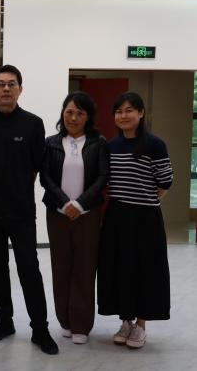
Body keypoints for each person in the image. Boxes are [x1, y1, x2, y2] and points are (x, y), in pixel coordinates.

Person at [0, 65, 58, 355]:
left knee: (29, 269)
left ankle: (40, 329)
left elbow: (35, 167)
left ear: (20, 89)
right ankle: (4, 322)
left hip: (21, 212)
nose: (6, 88)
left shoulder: (33, 123)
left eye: (12, 84)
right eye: (1, 84)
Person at [97, 92, 173, 349]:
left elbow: (165, 182)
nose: (123, 115)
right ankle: (126, 321)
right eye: (119, 111)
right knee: (120, 269)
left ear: (141, 113)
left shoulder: (155, 145)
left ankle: (140, 326)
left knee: (145, 271)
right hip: (117, 217)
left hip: (146, 218)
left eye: (129, 110)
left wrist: (146, 200)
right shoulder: (111, 146)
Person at [40, 91, 108, 345]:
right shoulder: (51, 143)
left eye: (80, 113)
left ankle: (81, 324)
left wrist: (80, 204)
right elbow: (45, 177)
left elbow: (103, 177)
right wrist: (64, 202)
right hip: (57, 214)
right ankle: (65, 321)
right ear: (63, 114)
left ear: (88, 116)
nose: (73, 117)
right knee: (61, 267)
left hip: (87, 215)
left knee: (84, 268)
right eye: (69, 112)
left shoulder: (98, 143)